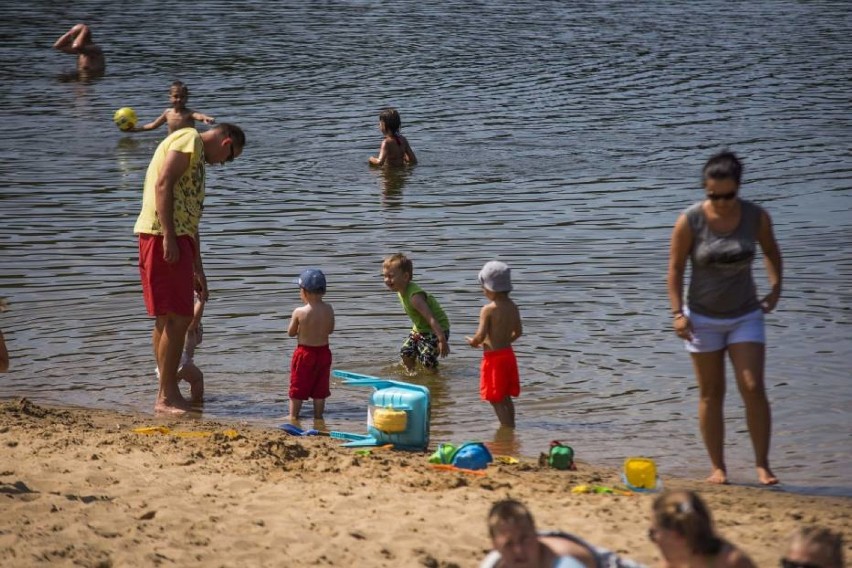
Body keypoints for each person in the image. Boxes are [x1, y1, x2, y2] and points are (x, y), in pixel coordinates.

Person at [667, 150, 783, 486]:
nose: (720, 202)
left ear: (739, 188)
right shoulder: (690, 220)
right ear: (705, 190)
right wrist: (677, 314)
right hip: (701, 317)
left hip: (746, 313)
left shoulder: (755, 216)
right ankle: (718, 467)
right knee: (711, 392)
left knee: (752, 386)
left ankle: (763, 464)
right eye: (713, 195)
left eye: (728, 195)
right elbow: (674, 269)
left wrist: (775, 289)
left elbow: (772, 252)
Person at [134, 122, 245, 414]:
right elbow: (163, 183)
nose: (226, 164)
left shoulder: (198, 165)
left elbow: (192, 219)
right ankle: (166, 396)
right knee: (179, 318)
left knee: (168, 318)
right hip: (162, 235)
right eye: (231, 157)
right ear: (226, 142)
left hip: (178, 238)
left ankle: (165, 392)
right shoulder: (189, 139)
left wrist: (198, 267)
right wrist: (169, 235)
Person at [481, 499, 643, 568]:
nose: (519, 550)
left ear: (536, 536)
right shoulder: (492, 564)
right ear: (495, 545)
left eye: (525, 540)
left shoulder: (564, 562)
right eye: (509, 544)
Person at [466, 261, 523, 428]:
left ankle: (506, 429)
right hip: (508, 356)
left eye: (483, 287)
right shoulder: (513, 307)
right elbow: (518, 332)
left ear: (490, 288)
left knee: (494, 398)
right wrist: (505, 342)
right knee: (505, 395)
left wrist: (473, 342)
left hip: (494, 359)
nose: (482, 291)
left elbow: (480, 335)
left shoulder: (488, 310)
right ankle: (511, 423)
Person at [649, 490, 756, 568]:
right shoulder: (675, 561)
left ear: (678, 536)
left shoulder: (732, 562)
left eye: (652, 533)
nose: (654, 541)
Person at [382, 253, 450, 371]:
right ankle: (412, 374)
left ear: (405, 276)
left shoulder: (415, 297)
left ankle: (435, 379)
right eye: (385, 276)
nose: (387, 280)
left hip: (438, 329)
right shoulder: (400, 290)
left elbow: (431, 318)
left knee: (427, 359)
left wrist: (442, 340)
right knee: (405, 352)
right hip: (420, 328)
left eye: (391, 276)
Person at [287, 269, 335, 422]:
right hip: (323, 352)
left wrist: (301, 327)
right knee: (320, 388)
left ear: (304, 291)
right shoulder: (329, 309)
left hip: (304, 353)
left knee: (298, 385)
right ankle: (319, 417)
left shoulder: (299, 312)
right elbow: (330, 330)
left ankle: (293, 416)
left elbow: (291, 332)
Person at [131, 81, 215, 134]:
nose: (179, 99)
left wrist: (206, 118)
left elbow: (199, 116)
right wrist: (135, 129)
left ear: (187, 98)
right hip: (172, 144)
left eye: (182, 97)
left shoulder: (189, 113)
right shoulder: (167, 113)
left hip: (186, 144)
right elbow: (153, 125)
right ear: (170, 97)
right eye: (175, 96)